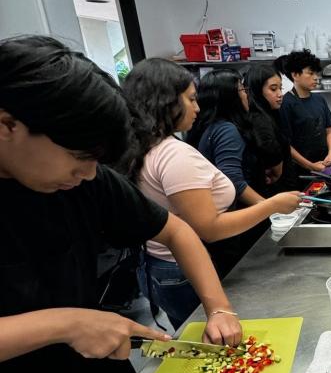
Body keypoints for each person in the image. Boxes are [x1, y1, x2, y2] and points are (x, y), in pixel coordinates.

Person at [0, 36, 242, 373]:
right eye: (79, 158)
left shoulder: (81, 180)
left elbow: (175, 227)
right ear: (8, 124)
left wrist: (218, 307)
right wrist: (66, 323)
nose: (88, 175)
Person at [122, 59, 301, 327]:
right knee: (213, 343)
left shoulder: (145, 146)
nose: (197, 107)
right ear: (165, 102)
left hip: (160, 266)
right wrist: (273, 205)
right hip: (182, 270)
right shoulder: (173, 154)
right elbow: (210, 227)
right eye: (191, 99)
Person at [189, 68, 282, 201]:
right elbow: (233, 180)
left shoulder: (210, 125)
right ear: (229, 96)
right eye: (243, 90)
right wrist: (267, 206)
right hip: (240, 208)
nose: (246, 95)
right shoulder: (227, 130)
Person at [279, 49, 331, 173]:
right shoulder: (286, 103)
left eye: (316, 73)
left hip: (324, 165)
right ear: (295, 75)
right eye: (310, 73)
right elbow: (285, 145)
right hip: (300, 171)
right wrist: (310, 166)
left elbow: (329, 131)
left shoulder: (319, 99)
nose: (316, 78)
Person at [246, 62, 295, 193]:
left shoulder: (271, 112)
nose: (280, 94)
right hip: (271, 189)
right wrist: (278, 171)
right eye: (273, 89)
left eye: (280, 88)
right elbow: (268, 146)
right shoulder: (258, 116)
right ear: (257, 90)